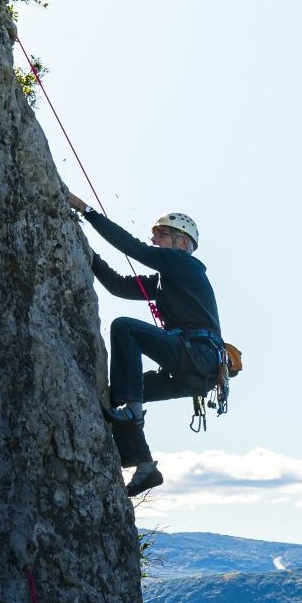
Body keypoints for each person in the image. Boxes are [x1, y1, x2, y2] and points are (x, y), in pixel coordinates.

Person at [66, 191, 224, 496]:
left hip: (197, 356)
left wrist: (86, 211)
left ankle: (134, 414)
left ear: (182, 243)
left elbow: (132, 248)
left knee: (124, 328)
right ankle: (144, 467)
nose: (155, 241)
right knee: (117, 396)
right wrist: (88, 254)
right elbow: (118, 286)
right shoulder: (167, 280)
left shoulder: (184, 265)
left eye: (162, 235)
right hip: (194, 373)